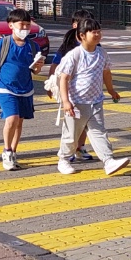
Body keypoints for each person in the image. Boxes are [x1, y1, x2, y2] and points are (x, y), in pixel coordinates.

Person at [54, 18, 130, 177]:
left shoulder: (102, 53)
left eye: (98, 31)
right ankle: (64, 159)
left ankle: (108, 161)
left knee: (99, 132)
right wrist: (66, 101)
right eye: (93, 32)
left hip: (96, 101)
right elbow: (63, 78)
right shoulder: (74, 55)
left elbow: (106, 73)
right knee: (71, 135)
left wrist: (111, 90)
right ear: (82, 35)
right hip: (76, 103)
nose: (97, 34)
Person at [0, 7, 46, 171]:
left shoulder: (33, 47)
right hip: (5, 89)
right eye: (21, 24)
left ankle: (14, 151)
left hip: (26, 89)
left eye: (27, 24)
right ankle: (7, 151)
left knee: (19, 122)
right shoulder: (1, 45)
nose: (24, 28)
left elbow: (35, 71)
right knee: (12, 119)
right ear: (11, 25)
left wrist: (38, 66)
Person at [48, 9, 98, 162]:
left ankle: (80, 147)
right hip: (70, 92)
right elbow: (55, 65)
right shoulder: (68, 46)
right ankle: (67, 152)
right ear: (75, 25)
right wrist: (51, 85)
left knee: (85, 123)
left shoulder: (95, 45)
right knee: (72, 123)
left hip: (89, 93)